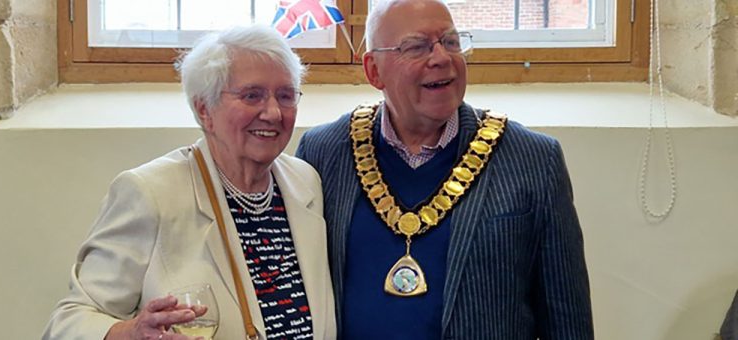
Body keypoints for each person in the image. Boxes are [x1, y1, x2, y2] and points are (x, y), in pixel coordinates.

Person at [295, 0, 593, 339]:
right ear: (374, 70)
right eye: (417, 46)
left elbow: (568, 321)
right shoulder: (323, 152)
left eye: (451, 42)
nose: (441, 58)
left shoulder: (534, 159)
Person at [42, 25, 337, 340]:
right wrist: (130, 333)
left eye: (286, 95)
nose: (273, 112)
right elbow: (67, 322)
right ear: (204, 109)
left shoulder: (305, 183)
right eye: (252, 95)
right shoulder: (151, 192)